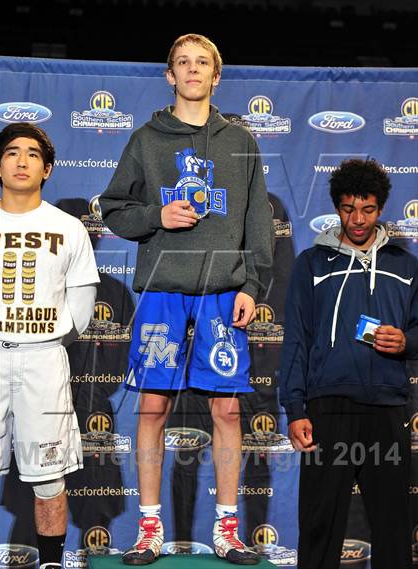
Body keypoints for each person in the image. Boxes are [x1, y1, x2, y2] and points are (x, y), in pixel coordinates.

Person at [100, 33, 273, 565]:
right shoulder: (147, 139)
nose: (193, 70)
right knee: (153, 407)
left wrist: (252, 285)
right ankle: (149, 529)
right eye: (183, 62)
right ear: (169, 75)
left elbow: (258, 221)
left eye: (203, 63)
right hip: (163, 291)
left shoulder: (240, 140)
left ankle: (227, 530)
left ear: (216, 77)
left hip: (222, 292)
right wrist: (158, 216)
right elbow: (113, 208)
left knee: (225, 410)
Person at [280, 157, 417, 569]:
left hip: (387, 409)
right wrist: (295, 409)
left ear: (381, 208)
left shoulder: (406, 266)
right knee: (320, 525)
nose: (357, 219)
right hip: (328, 408)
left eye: (368, 209)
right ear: (337, 206)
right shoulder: (311, 263)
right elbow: (297, 341)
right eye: (347, 208)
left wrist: (407, 341)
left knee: (393, 528)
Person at [0, 122, 100, 569]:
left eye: (33, 154)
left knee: (48, 478)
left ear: (48, 169)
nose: (22, 161)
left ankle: (52, 563)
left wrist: (43, 340)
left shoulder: (69, 228)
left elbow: (81, 309)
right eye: (12, 152)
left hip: (43, 359)